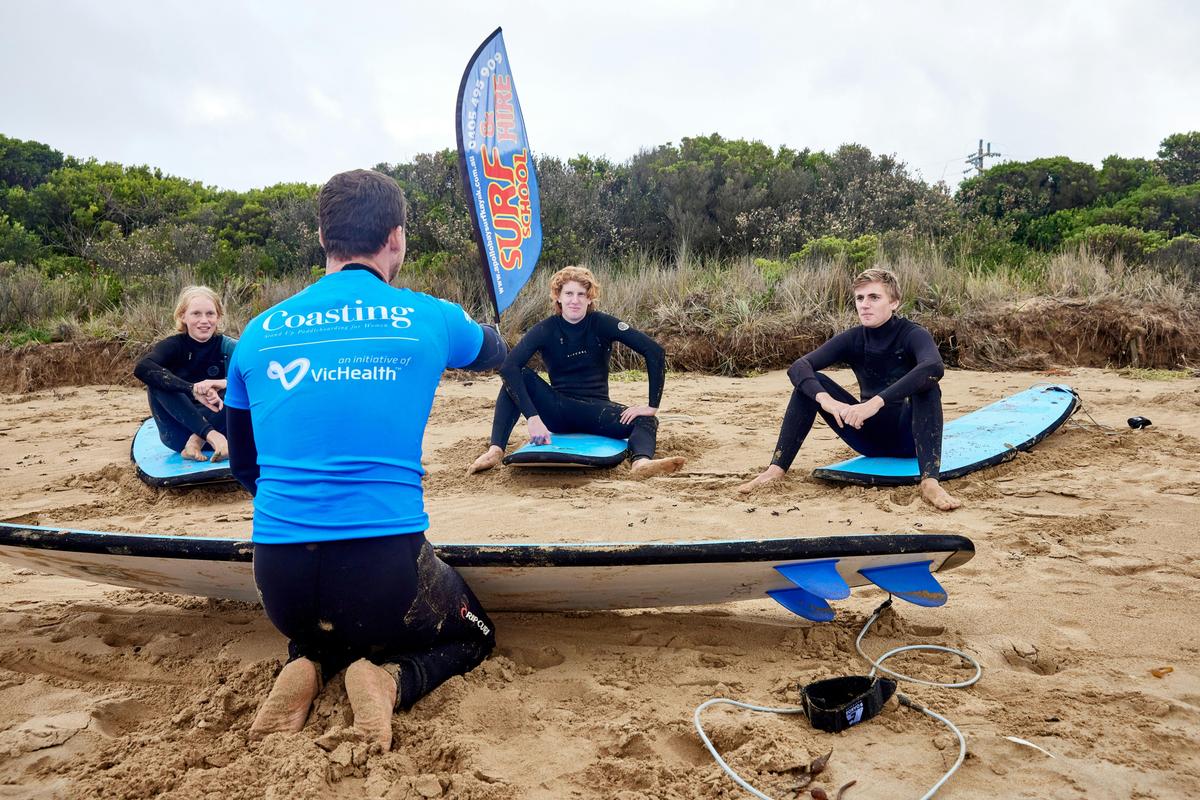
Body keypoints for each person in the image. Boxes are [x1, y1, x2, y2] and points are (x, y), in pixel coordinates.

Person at [224, 169, 508, 750]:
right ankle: (391, 681)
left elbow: (244, 466)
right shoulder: (429, 316)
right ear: (397, 238)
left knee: (324, 624)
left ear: (322, 237)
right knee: (474, 633)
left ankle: (306, 663)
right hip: (384, 575)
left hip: (279, 580)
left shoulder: (255, 333)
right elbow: (495, 349)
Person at [737, 268, 961, 511]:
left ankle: (929, 482)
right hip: (867, 437)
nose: (865, 304)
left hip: (911, 441)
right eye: (860, 298)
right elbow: (799, 367)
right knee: (811, 384)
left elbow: (934, 366)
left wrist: (874, 403)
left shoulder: (912, 335)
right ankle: (776, 469)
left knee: (928, 386)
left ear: (895, 302)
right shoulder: (854, 339)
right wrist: (828, 402)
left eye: (874, 297)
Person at [467, 266, 685, 479]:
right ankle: (495, 450)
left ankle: (641, 463)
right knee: (518, 376)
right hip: (558, 411)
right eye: (569, 293)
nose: (575, 300)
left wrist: (651, 406)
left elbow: (654, 351)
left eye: (582, 294)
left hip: (597, 412)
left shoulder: (602, 323)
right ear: (558, 298)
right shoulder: (546, 329)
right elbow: (508, 367)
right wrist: (533, 418)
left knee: (646, 420)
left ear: (590, 299)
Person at [133, 285, 234, 462]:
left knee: (239, 386)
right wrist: (191, 388)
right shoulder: (173, 345)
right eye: (196, 314)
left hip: (225, 432)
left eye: (210, 314)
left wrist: (222, 383)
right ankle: (207, 435)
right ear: (183, 316)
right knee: (157, 381)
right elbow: (142, 368)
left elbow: (261, 377)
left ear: (218, 317)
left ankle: (197, 440)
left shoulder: (228, 347)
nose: (204, 320)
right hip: (179, 435)